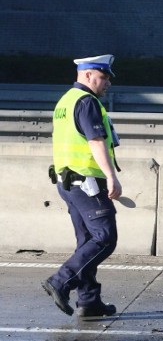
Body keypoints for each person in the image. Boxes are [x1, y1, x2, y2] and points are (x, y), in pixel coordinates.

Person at [41, 54, 122, 319]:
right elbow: (95, 141)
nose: (107, 82)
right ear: (88, 75)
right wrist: (111, 176)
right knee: (105, 238)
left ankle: (89, 301)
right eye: (103, 76)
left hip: (68, 182)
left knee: (86, 241)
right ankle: (60, 281)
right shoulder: (87, 102)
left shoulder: (65, 101)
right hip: (87, 182)